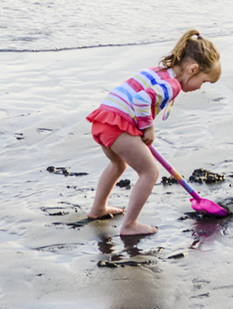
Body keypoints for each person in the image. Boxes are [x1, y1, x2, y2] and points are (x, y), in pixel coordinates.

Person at [86, 29, 221, 237]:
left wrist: (138, 124)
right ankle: (129, 225)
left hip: (104, 118)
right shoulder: (173, 84)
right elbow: (142, 99)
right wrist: (147, 126)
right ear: (193, 69)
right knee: (150, 172)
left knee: (117, 164)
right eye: (203, 82)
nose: (200, 87)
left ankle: (98, 209)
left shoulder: (159, 71)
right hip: (117, 123)